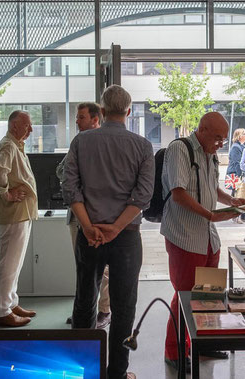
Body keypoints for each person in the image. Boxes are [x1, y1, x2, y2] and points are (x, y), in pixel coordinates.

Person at [62, 85, 154, 379]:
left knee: (84, 300)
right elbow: (142, 197)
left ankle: (83, 369)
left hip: (89, 235)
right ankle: (117, 372)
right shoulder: (142, 146)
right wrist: (116, 227)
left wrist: (88, 226)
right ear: (128, 112)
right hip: (125, 236)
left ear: (101, 112)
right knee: (124, 305)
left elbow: (69, 187)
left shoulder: (81, 142)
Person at [160, 112, 245, 370]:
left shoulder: (211, 154)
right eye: (218, 138)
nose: (222, 143)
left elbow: (211, 188)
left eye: (224, 138)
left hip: (209, 237)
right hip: (185, 236)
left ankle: (204, 345)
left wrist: (231, 201)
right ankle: (175, 351)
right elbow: (178, 194)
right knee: (186, 295)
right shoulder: (180, 149)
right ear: (202, 129)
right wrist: (210, 214)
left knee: (209, 294)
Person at [56, 102, 111, 329]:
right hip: (77, 218)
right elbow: (60, 170)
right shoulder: (76, 143)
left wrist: (79, 174)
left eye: (81, 117)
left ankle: (103, 311)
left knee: (103, 269)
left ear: (95, 119)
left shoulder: (103, 143)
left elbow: (66, 172)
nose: (77, 121)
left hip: (99, 217)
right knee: (84, 268)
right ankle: (84, 312)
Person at [0, 110, 38, 328]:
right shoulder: (9, 146)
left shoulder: (15, 144)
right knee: (8, 264)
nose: (30, 130)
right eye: (27, 125)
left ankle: (11, 303)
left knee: (15, 263)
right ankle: (2, 311)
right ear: (13, 126)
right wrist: (6, 194)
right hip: (13, 214)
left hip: (20, 213)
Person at [227, 128, 245, 223]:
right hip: (234, 174)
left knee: (237, 195)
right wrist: (240, 176)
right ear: (239, 136)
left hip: (236, 174)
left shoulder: (241, 146)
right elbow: (236, 163)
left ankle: (236, 216)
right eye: (244, 133)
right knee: (236, 196)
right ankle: (235, 216)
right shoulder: (236, 147)